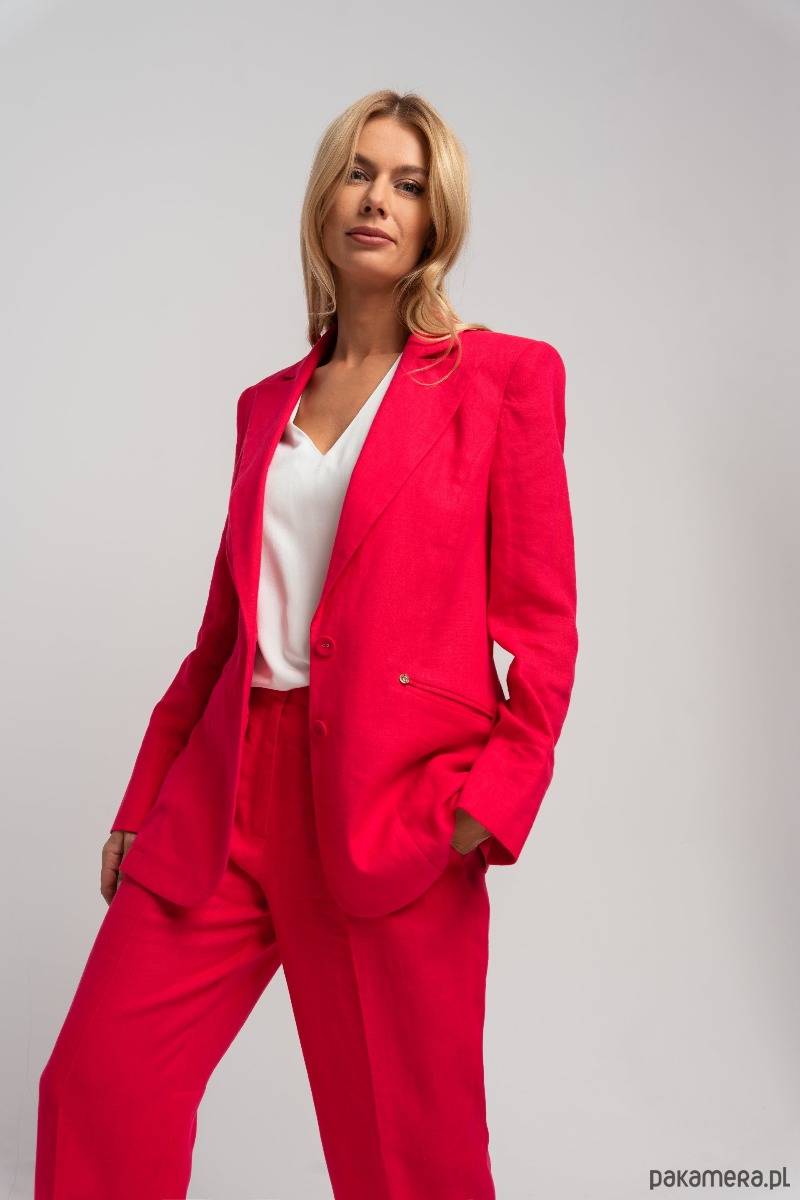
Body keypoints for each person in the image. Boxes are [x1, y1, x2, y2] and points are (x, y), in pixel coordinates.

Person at [35, 89, 579, 1200]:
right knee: (95, 1088)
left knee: (406, 1161)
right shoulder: (263, 406)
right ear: (324, 200)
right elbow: (220, 637)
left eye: (408, 184)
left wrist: (483, 807)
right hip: (225, 795)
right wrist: (142, 804)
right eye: (358, 174)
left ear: (436, 220)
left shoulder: (501, 379)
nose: (377, 199)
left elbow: (543, 625)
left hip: (392, 803)